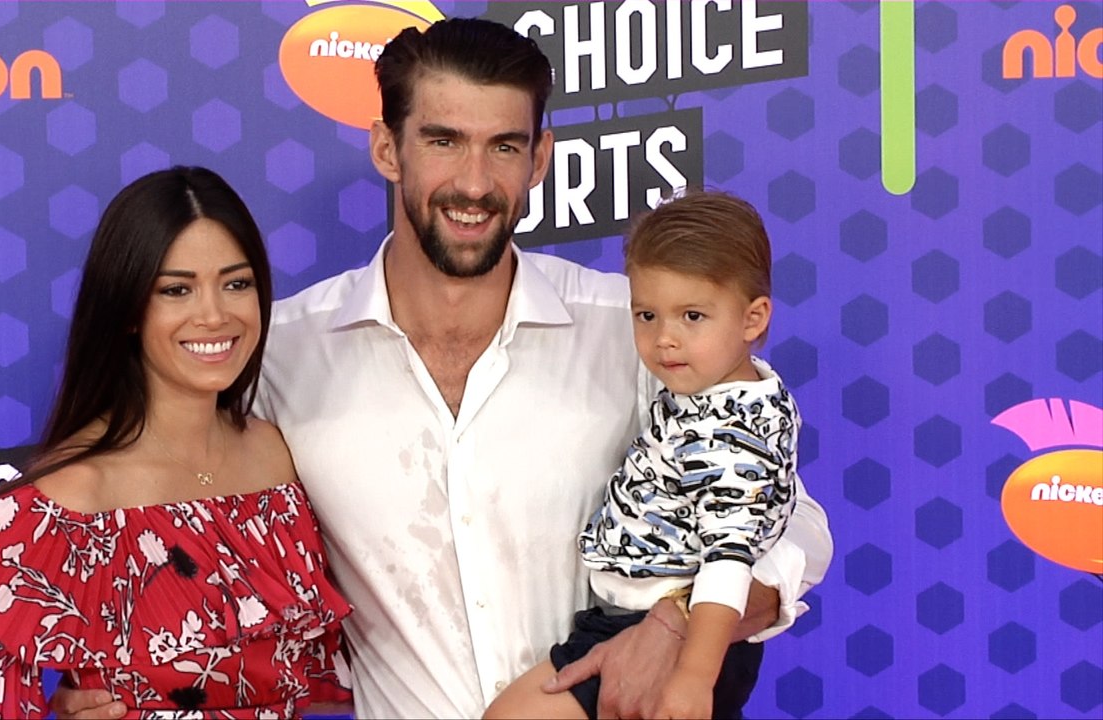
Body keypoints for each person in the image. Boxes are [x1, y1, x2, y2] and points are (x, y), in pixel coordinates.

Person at [56, 17, 832, 720]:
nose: (473, 182)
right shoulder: (277, 352)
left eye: (503, 146)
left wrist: (676, 625)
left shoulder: (630, 329)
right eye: (443, 140)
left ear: (540, 159)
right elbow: (175, 509)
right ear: (387, 148)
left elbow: (793, 527)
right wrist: (122, 679)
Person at [0, 166, 351, 718]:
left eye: (236, 283)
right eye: (176, 289)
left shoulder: (274, 455)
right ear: (127, 311)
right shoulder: (75, 497)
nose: (215, 315)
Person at [485, 189, 800, 720]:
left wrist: (693, 678)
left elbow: (729, 559)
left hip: (674, 638)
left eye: (692, 316)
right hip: (619, 618)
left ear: (753, 318)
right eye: (647, 315)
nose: (664, 340)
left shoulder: (733, 428)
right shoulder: (703, 395)